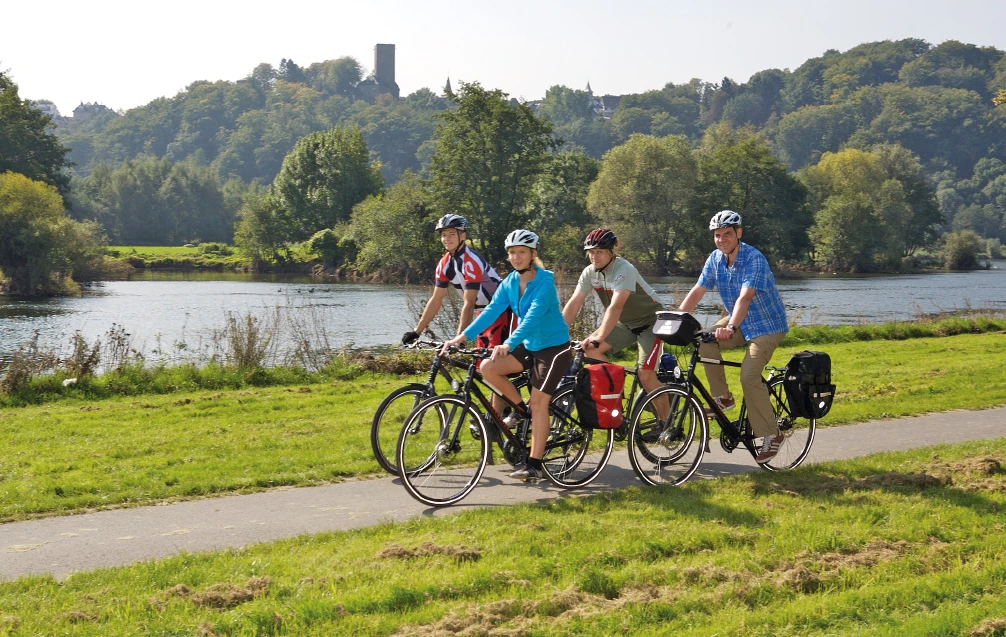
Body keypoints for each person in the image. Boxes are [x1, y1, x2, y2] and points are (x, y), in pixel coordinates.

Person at [442, 229, 572, 483]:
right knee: (489, 368)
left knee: (540, 403)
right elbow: (491, 311)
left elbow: (533, 318)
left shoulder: (545, 281)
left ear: (533, 254)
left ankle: (534, 464)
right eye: (512, 252)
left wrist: (509, 342)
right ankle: (521, 411)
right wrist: (460, 337)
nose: (516, 257)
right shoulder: (510, 282)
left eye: (522, 252)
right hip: (529, 344)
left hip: (554, 348)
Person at [678, 210, 789, 462]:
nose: (722, 239)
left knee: (749, 376)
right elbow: (698, 289)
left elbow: (745, 297)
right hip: (739, 322)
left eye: (727, 234)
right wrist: (677, 316)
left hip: (767, 326)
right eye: (717, 235)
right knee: (705, 340)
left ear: (738, 233)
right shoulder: (715, 259)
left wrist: (731, 326)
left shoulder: (754, 259)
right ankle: (724, 398)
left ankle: (773, 435)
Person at [562, 228, 667, 400]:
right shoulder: (590, 272)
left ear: (612, 252)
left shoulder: (624, 269)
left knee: (646, 375)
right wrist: (558, 332)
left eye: (600, 252)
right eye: (591, 252)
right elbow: (575, 302)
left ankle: (666, 423)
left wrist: (600, 336)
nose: (595, 257)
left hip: (651, 322)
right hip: (625, 324)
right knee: (589, 350)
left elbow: (616, 307)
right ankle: (615, 391)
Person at [402, 214, 512, 353]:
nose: (446, 239)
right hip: (482, 314)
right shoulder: (445, 263)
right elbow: (436, 299)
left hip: (501, 311)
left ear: (463, 236)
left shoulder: (471, 261)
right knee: (480, 363)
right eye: (443, 234)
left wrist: (458, 339)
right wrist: (417, 332)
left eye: (452, 234)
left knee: (493, 362)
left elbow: (469, 303)